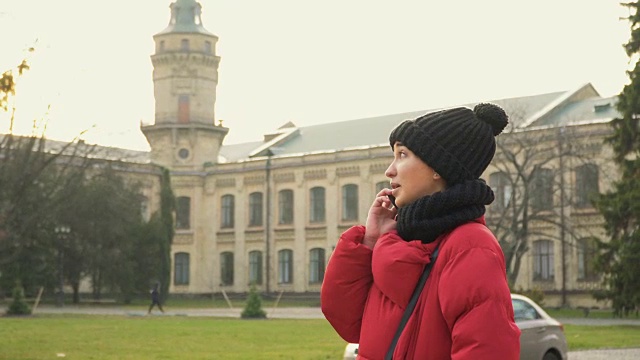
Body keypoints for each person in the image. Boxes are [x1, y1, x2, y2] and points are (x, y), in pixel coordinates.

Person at [321, 103, 520, 359]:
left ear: (438, 168)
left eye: (402, 154)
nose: (389, 169)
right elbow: (348, 321)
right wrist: (370, 241)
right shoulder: (400, 239)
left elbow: (488, 351)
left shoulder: (469, 245)